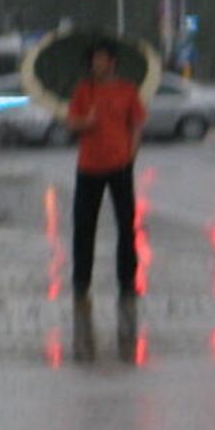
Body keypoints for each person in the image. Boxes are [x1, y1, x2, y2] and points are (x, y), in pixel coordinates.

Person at [65, 40, 146, 359]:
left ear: (111, 62)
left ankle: (128, 282)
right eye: (94, 59)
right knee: (84, 227)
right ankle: (80, 281)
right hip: (89, 167)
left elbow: (138, 123)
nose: (97, 64)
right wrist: (86, 121)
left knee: (126, 227)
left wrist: (132, 153)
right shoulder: (83, 91)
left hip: (120, 167)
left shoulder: (127, 90)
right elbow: (71, 123)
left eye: (102, 59)